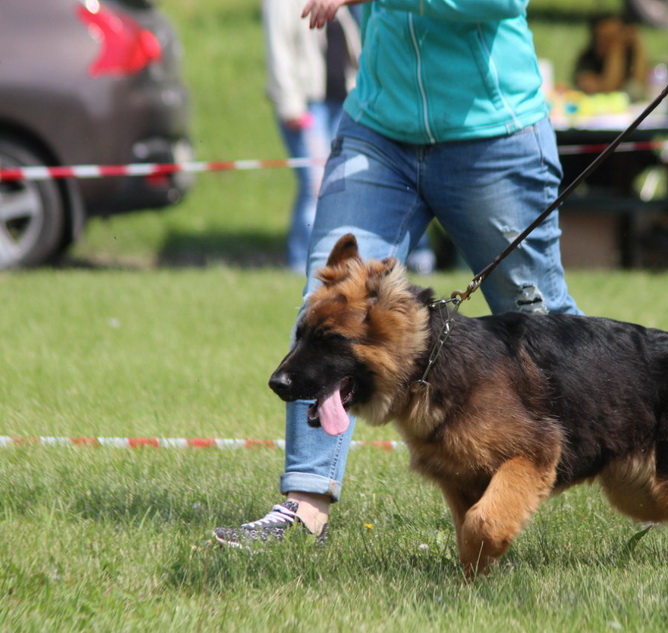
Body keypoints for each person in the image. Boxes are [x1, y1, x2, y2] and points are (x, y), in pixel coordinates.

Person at [214, 0, 581, 552]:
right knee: (327, 307)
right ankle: (305, 504)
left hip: (492, 133)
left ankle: (617, 456)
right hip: (378, 130)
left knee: (540, 317)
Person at [261, 0, 360, 274]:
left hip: (342, 102)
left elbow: (352, 45)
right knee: (314, 186)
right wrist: (290, 104)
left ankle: (332, 265)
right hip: (308, 106)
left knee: (339, 186)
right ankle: (299, 262)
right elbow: (277, 48)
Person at [573, 13, 648, 99]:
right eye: (606, 38)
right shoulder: (587, 63)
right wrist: (616, 52)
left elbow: (639, 86)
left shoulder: (628, 58)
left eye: (616, 36)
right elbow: (607, 91)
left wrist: (638, 47)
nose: (612, 42)